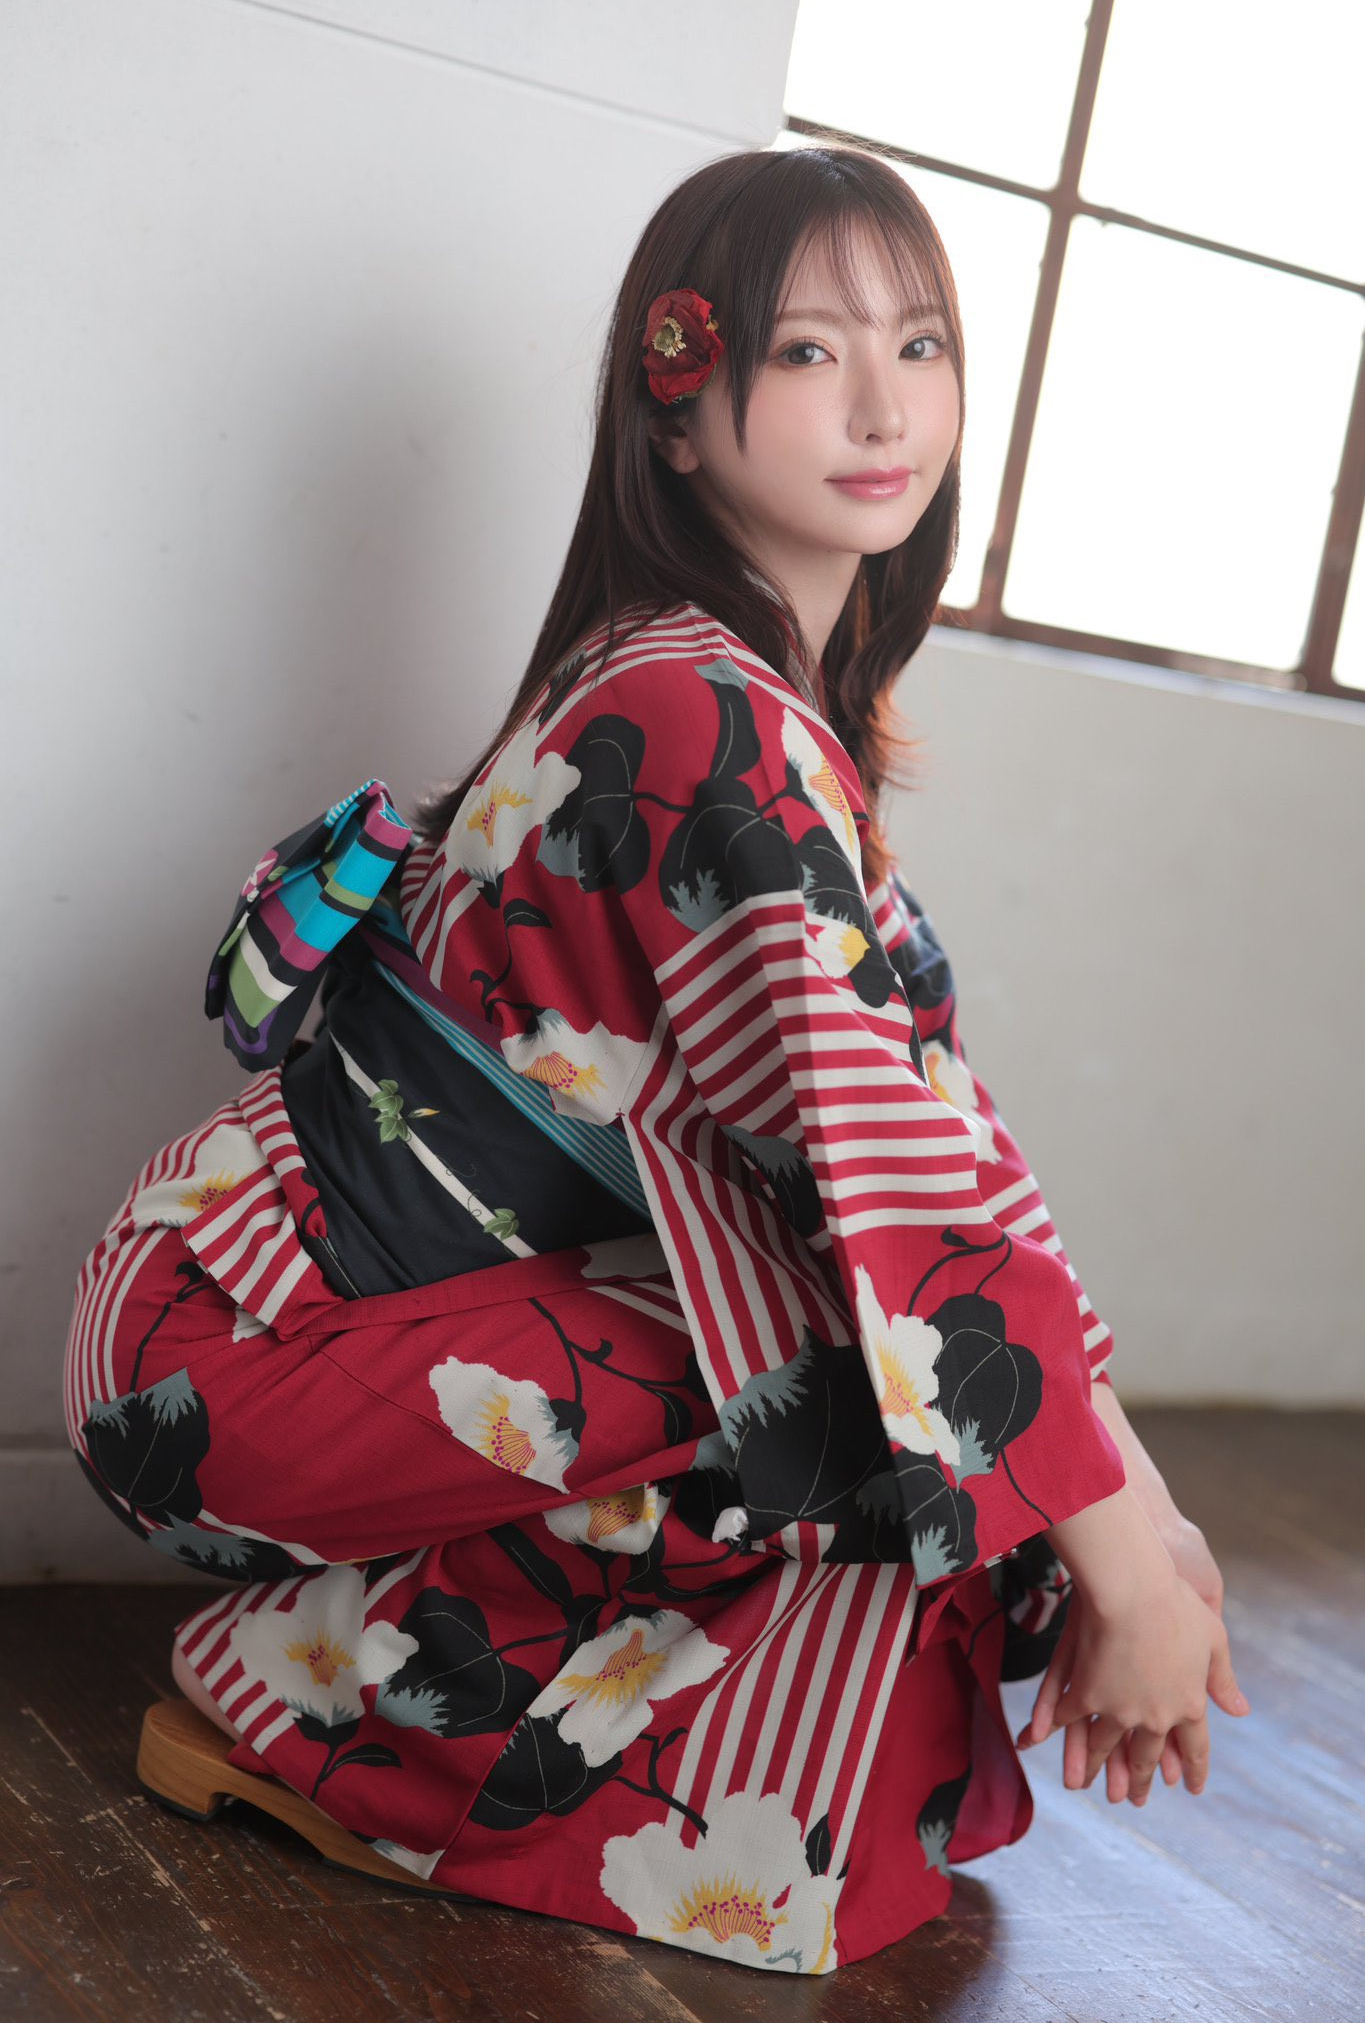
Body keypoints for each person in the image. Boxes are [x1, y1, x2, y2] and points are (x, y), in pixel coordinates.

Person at [62, 141, 1249, 1976]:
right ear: (676, 411)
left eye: (921, 344)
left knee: (972, 1450)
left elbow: (936, 1144)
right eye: (805, 351)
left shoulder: (750, 701)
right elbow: (897, 1198)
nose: (883, 407)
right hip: (233, 1342)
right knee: (885, 1408)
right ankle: (331, 1711)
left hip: (341, 1318)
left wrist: (1139, 1524)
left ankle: (417, 1689)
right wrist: (1118, 1560)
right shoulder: (690, 710)